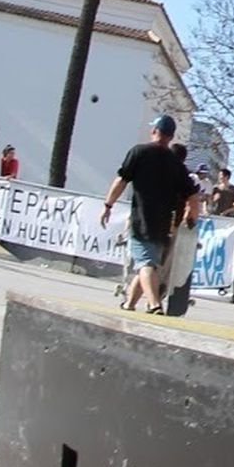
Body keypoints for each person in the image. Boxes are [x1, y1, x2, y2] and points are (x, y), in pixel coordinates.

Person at [100, 113, 197, 315]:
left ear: (154, 131)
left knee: (145, 264)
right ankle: (130, 304)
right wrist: (192, 215)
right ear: (171, 136)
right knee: (149, 263)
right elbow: (192, 194)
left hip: (141, 220)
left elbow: (121, 180)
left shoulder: (139, 152)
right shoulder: (176, 164)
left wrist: (108, 205)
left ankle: (154, 304)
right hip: (163, 224)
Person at [163, 144, 204, 316]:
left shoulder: (160, 171)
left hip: (153, 222)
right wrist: (191, 219)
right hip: (173, 225)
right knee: (164, 267)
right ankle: (156, 298)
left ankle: (136, 300)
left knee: (150, 265)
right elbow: (193, 202)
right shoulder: (185, 176)